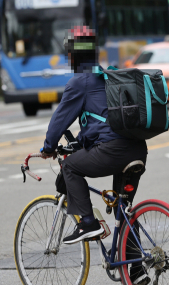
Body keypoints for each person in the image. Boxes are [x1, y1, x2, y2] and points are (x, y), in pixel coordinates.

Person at [40, 27, 148, 268]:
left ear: (72, 56)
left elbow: (59, 121)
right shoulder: (111, 75)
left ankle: (88, 222)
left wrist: (48, 146)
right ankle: (138, 269)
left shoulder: (80, 82)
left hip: (112, 151)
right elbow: (99, 119)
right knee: (124, 208)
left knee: (70, 167)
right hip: (138, 150)